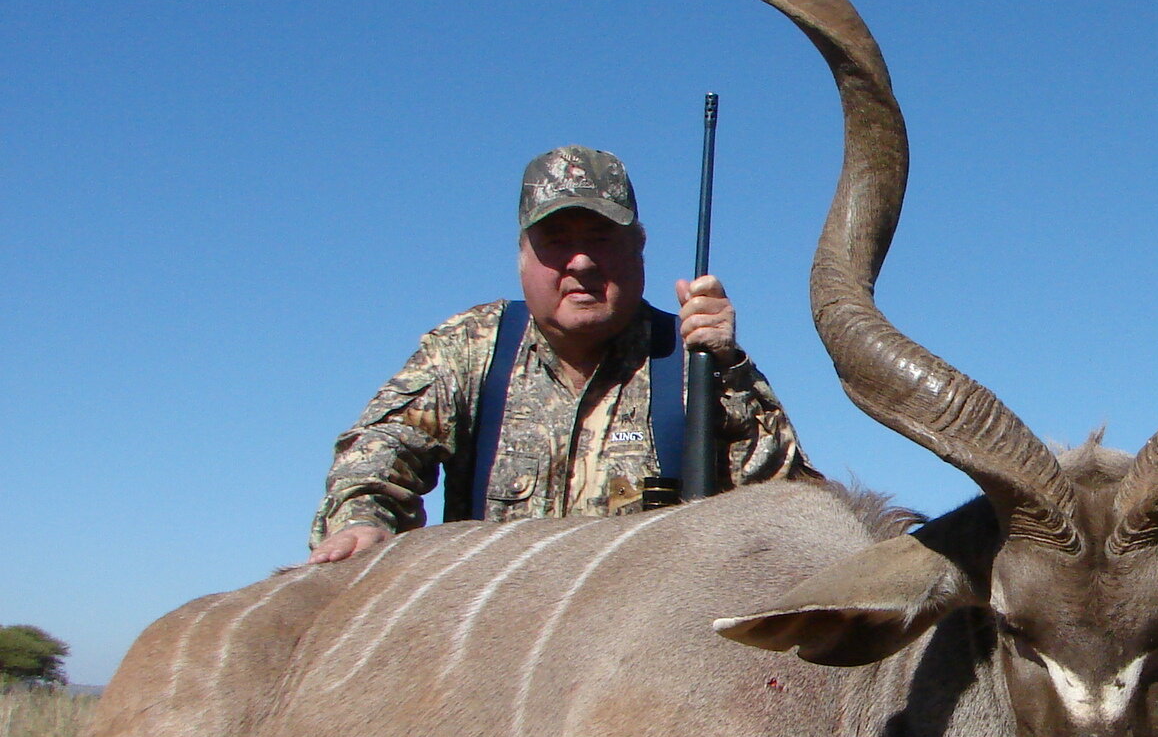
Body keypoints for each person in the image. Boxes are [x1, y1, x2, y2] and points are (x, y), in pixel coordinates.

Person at [309, 145, 814, 562]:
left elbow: (791, 508)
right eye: (556, 241)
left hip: (641, 653)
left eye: (601, 239)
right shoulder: (470, 347)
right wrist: (362, 521)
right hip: (493, 644)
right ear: (522, 255)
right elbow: (380, 451)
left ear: (639, 248)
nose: (581, 262)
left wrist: (732, 368)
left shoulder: (693, 360)